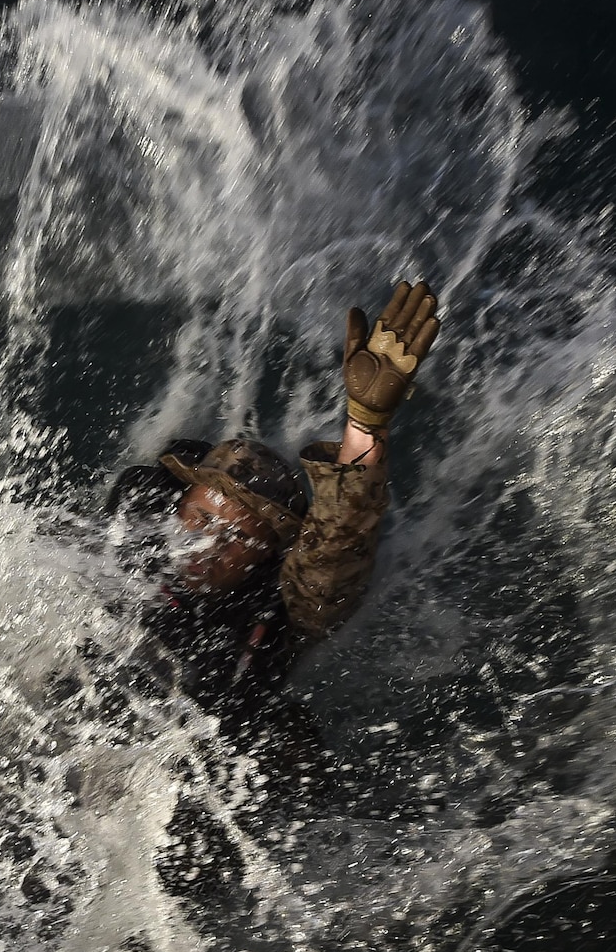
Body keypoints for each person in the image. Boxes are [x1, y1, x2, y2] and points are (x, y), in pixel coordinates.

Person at [99, 278, 441, 900]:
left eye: (237, 541)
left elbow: (332, 561)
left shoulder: (274, 603)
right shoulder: (141, 519)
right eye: (200, 520)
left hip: (214, 747)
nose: (206, 545)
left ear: (263, 562)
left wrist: (364, 434)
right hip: (110, 715)